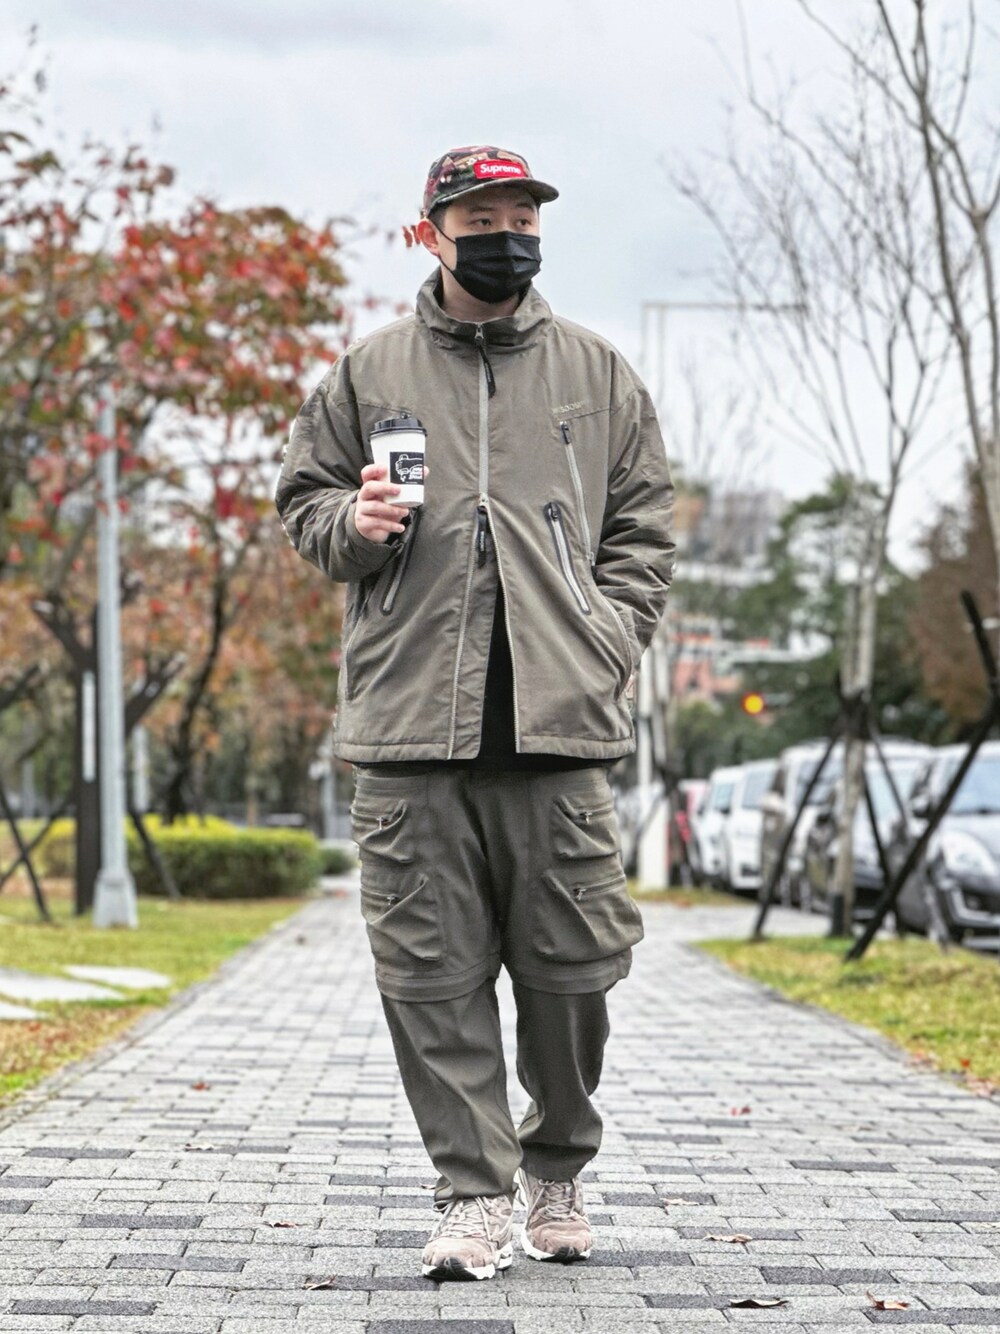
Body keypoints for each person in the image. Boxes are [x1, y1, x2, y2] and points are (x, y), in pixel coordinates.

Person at [275, 145, 675, 1281]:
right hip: (411, 729)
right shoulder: (368, 372)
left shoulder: (597, 373)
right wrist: (353, 525)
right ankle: (473, 1192)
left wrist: (607, 635)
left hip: (560, 729)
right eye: (482, 220)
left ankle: (557, 1165)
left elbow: (644, 526)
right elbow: (303, 507)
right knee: (430, 978)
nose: (507, 237)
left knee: (573, 976)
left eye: (522, 219)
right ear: (431, 233)